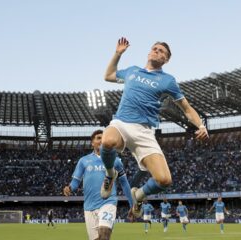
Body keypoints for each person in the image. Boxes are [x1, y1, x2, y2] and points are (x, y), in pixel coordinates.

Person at [100, 37, 209, 218]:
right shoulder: (132, 71)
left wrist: (201, 125)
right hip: (122, 123)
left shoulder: (167, 80)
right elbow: (108, 75)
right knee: (108, 140)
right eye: (155, 49)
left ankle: (140, 195)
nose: (157, 51)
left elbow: (187, 109)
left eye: (162, 52)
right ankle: (110, 174)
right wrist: (118, 53)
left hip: (144, 132)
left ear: (166, 60)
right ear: (149, 52)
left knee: (164, 180)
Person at [63, 130, 133, 240]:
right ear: (92, 143)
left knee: (104, 235)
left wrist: (131, 204)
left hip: (108, 202)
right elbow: (76, 181)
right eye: (98, 138)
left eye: (103, 138)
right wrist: (70, 188)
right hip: (89, 207)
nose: (101, 140)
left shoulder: (116, 161)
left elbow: (124, 183)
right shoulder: (84, 161)